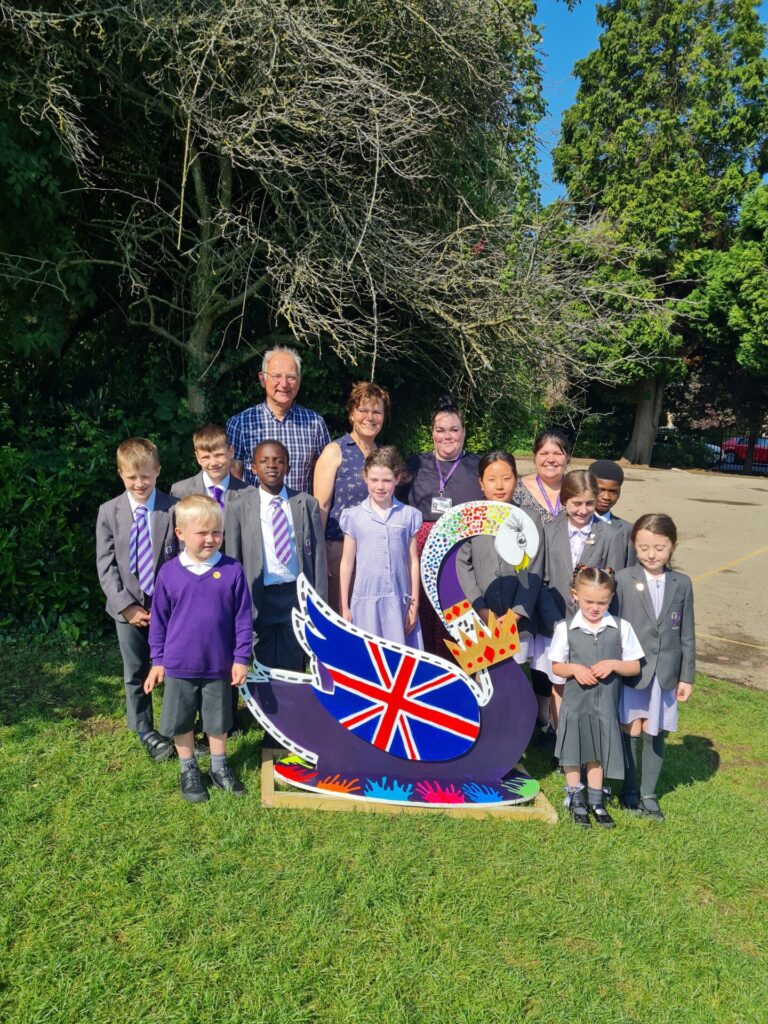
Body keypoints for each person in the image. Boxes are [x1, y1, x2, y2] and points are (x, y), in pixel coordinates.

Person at [144, 496, 252, 803]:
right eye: (202, 533)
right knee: (180, 719)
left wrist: (241, 657)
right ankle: (189, 769)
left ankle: (219, 767)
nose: (210, 539)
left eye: (216, 532)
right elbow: (159, 622)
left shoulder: (232, 570)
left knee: (218, 721)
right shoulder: (168, 573)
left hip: (218, 663)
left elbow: (243, 618)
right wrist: (158, 660)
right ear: (180, 533)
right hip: (179, 664)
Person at [95, 438, 178, 762]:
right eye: (132, 477)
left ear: (157, 471)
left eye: (145, 476)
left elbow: (183, 562)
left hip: (167, 609)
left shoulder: (173, 508)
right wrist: (125, 606)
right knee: (135, 670)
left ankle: (174, 727)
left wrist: (167, 606)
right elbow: (106, 564)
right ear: (120, 474)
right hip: (126, 609)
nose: (139, 483)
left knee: (173, 668)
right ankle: (145, 729)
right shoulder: (109, 512)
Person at [171, 423, 251, 737]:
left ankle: (224, 720)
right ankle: (190, 717)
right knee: (194, 645)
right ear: (196, 456)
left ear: (231, 452)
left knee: (227, 646)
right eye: (206, 455)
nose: (214, 461)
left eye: (219, 454)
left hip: (230, 580)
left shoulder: (247, 491)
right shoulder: (180, 490)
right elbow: (175, 538)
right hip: (194, 580)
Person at [549, 566, 644, 828]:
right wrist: (574, 669)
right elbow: (556, 666)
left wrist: (614, 664)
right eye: (589, 601)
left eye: (602, 602)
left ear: (611, 599)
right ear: (575, 595)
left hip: (605, 706)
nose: (594, 608)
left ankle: (596, 799)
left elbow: (635, 665)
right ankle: (575, 798)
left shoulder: (621, 628)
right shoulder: (565, 628)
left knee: (598, 750)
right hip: (576, 704)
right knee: (572, 749)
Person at [614, 514, 695, 821]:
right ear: (634, 546)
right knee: (632, 726)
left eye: (659, 548)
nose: (651, 554)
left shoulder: (682, 583)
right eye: (644, 547)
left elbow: (687, 633)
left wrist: (686, 676)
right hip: (634, 671)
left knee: (656, 728)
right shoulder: (623, 579)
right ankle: (630, 790)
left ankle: (649, 793)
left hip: (665, 673)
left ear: (672, 546)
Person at [227, 440, 327, 672]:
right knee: (263, 659)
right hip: (260, 595)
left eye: (278, 461)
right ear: (253, 468)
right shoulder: (238, 507)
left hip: (295, 594)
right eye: (264, 461)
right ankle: (265, 707)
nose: (271, 465)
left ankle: (293, 706)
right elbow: (234, 557)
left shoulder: (305, 503)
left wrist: (318, 603)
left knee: (294, 655)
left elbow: (318, 560)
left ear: (288, 468)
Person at [543, 470, 628, 730]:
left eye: (589, 503)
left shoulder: (610, 535)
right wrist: (553, 622)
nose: (582, 510)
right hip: (556, 619)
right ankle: (561, 741)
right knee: (558, 684)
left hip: (592, 623)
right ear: (564, 501)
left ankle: (588, 742)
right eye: (576, 503)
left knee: (589, 685)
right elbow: (543, 578)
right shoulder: (548, 530)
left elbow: (614, 582)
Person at [403, 396, 483, 655]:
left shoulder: (478, 466)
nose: (447, 436)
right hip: (420, 556)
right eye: (440, 430)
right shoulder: (415, 463)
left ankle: (464, 682)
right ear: (432, 433)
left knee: (459, 622)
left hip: (462, 559)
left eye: (454, 429)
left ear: (464, 432)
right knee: (423, 623)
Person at [313, 381, 390, 612]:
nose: (370, 417)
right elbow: (322, 506)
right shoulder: (335, 451)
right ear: (351, 415)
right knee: (342, 615)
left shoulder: (384, 455)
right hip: (339, 549)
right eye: (363, 410)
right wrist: (321, 555)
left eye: (376, 411)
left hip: (376, 551)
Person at [339, 447, 423, 648]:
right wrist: (344, 605)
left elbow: (412, 560)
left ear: (397, 479)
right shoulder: (353, 516)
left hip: (399, 601)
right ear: (365, 477)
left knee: (401, 660)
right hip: (365, 601)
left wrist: (414, 602)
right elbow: (347, 562)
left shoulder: (409, 516)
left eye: (386, 480)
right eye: (374, 480)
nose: (380, 486)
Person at [226, 346, 331, 492]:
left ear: (299, 381)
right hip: (256, 512)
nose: (284, 383)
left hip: (300, 512)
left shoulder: (315, 423)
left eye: (291, 377)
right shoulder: (240, 424)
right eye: (276, 376)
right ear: (262, 379)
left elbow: (325, 475)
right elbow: (233, 478)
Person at [514, 428, 571, 525]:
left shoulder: (577, 488)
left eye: (558, 454)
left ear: (568, 457)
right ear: (535, 456)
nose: (551, 459)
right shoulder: (516, 489)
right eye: (544, 453)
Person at [588, 458, 635, 566]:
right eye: (601, 490)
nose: (606, 497)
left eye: (613, 491)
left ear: (619, 492)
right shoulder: (573, 524)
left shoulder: (627, 531)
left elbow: (630, 569)